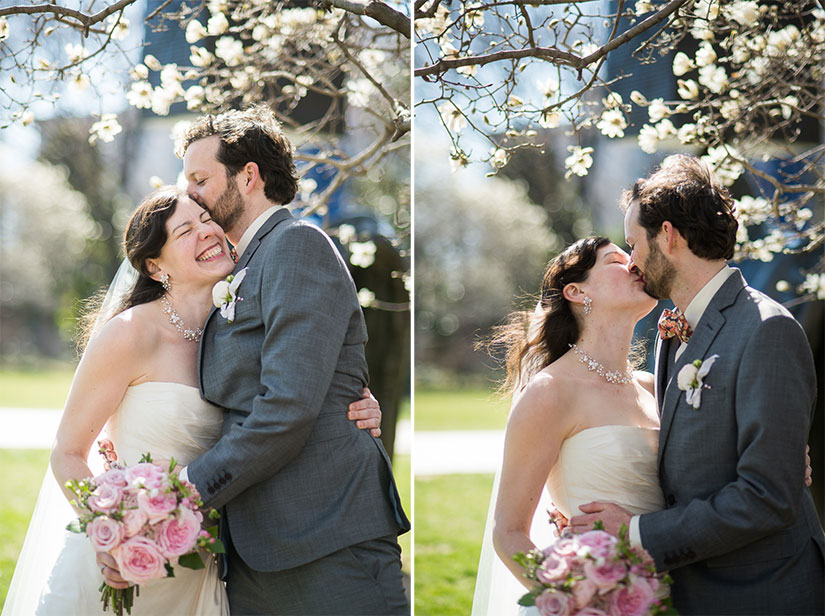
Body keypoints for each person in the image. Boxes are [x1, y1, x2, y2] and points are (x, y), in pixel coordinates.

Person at [2, 188, 383, 615]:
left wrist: (358, 405)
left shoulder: (241, 331)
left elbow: (289, 400)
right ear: (154, 265)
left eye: (206, 219)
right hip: (124, 562)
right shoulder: (129, 334)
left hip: (202, 562)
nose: (208, 232)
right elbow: (67, 452)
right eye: (186, 230)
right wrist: (111, 534)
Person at [106, 106, 410, 615]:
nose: (191, 194)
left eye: (200, 179)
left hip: (322, 536)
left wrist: (178, 499)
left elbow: (288, 406)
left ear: (248, 177)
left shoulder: (296, 246)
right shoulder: (239, 267)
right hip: (254, 549)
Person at [569, 155, 824, 614]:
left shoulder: (768, 329)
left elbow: (769, 497)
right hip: (691, 590)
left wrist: (634, 532)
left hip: (763, 594)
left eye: (633, 244)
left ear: (667, 236)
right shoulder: (672, 334)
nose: (630, 264)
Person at [472, 236, 664, 615]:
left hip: (682, 587)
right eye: (615, 260)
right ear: (576, 291)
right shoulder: (550, 392)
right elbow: (508, 532)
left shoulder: (657, 385)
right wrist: (581, 600)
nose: (635, 264)